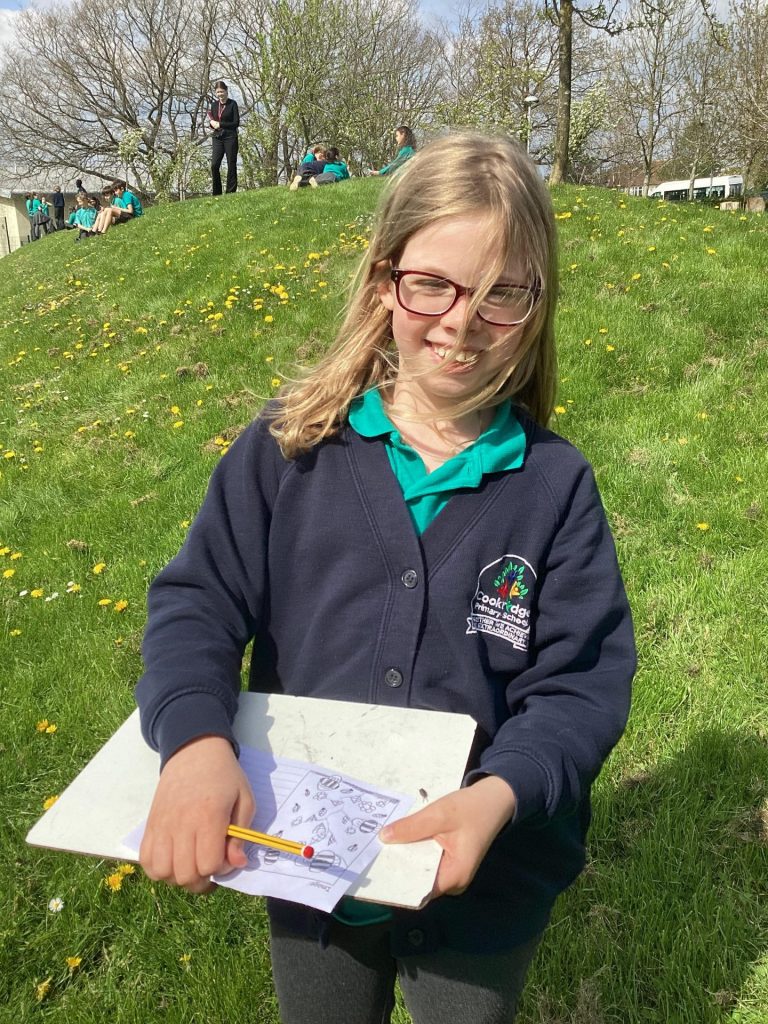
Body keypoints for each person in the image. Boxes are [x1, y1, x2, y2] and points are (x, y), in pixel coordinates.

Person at [135, 131, 635, 1024]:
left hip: (487, 876)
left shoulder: (556, 487)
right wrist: (196, 742)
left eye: (502, 294)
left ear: (538, 303)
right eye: (433, 284)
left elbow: (581, 687)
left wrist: (498, 797)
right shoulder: (291, 447)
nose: (460, 323)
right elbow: (197, 602)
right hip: (302, 852)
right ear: (383, 281)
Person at [208, 80, 240, 194]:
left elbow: (236, 123)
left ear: (226, 91)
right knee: (214, 165)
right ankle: (217, 192)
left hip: (230, 137)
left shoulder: (232, 104)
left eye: (221, 91)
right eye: (217, 92)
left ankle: (230, 191)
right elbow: (213, 121)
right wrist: (212, 123)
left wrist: (221, 124)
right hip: (217, 137)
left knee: (231, 163)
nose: (220, 94)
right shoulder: (214, 105)